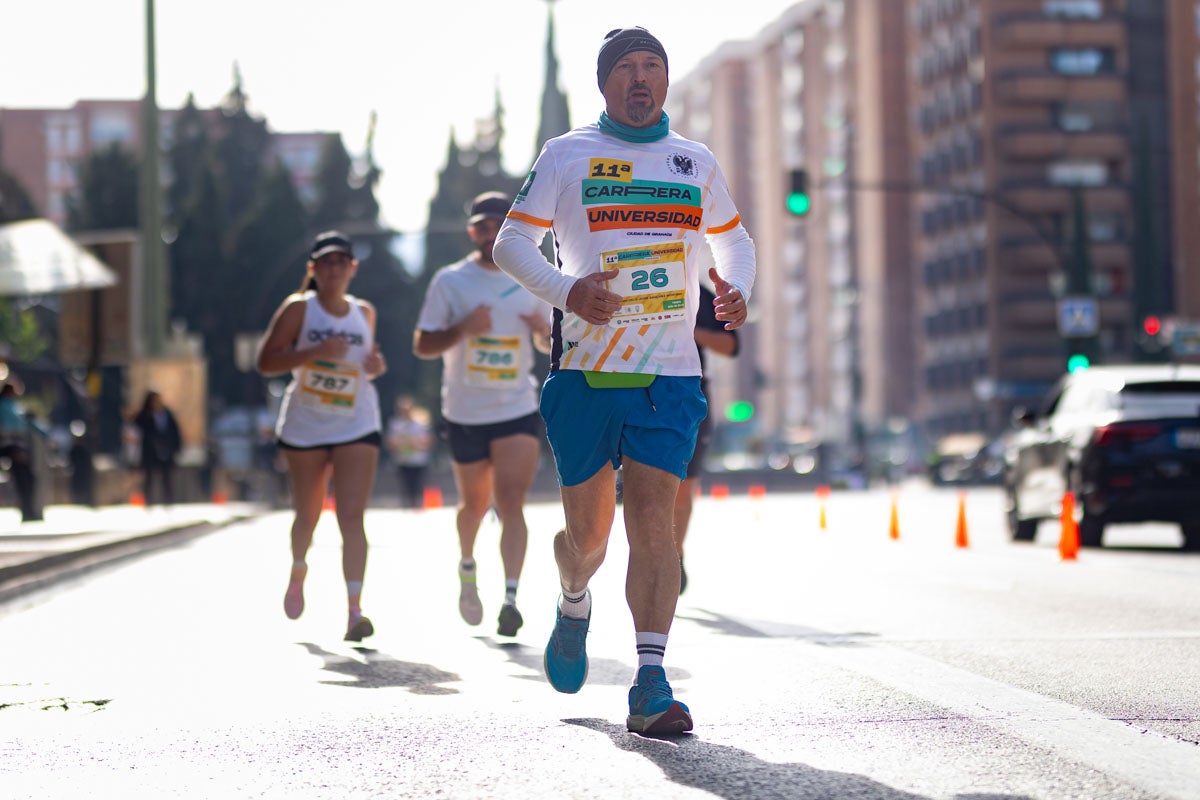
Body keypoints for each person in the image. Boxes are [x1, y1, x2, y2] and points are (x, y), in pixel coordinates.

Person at [493, 27, 756, 734]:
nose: (641, 78)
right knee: (589, 536)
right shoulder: (568, 154)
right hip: (587, 370)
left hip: (669, 373)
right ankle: (574, 598)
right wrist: (568, 291)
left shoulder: (693, 160)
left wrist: (737, 289)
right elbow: (510, 242)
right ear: (606, 82)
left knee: (654, 520)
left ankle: (649, 681)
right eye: (627, 68)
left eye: (653, 67)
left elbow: (734, 238)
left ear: (665, 81)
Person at [414, 191, 552, 638]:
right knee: (473, 504)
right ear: (471, 232)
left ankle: (511, 598)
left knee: (512, 501)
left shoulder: (532, 278)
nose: (490, 233)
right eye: (481, 227)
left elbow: (552, 345)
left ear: (511, 228)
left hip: (516, 407)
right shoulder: (450, 282)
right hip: (465, 410)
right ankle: (468, 568)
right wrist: (461, 329)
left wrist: (542, 333)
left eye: (497, 225)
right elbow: (423, 345)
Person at [256, 230, 387, 643]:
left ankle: (354, 611)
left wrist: (376, 365)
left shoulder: (364, 312)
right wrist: (312, 353)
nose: (333, 269)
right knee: (308, 515)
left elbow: (370, 364)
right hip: (306, 425)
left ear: (352, 268)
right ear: (313, 269)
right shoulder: (299, 309)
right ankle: (299, 569)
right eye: (325, 262)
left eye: (340, 262)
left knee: (352, 516)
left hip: (356, 422)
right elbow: (266, 362)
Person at [675, 283, 739, 594]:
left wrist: (690, 329)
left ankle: (674, 553)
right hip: (636, 388)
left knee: (685, 485)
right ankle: (654, 551)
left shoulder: (698, 292)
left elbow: (731, 344)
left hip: (692, 393)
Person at [0, 382, 44, 521]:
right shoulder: (5, 407)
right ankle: (28, 512)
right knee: (24, 480)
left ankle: (29, 511)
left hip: (17, 448)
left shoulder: (12, 406)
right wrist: (14, 450)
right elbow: (8, 430)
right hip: (13, 448)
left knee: (27, 479)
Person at [131, 389, 182, 506]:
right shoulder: (146, 414)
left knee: (167, 478)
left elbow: (175, 432)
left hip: (166, 450)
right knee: (149, 478)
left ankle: (169, 501)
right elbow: (137, 425)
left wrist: (176, 448)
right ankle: (148, 501)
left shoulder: (167, 414)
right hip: (150, 451)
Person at [384, 395, 434, 509]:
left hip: (418, 459)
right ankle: (406, 503)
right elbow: (389, 441)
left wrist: (416, 443)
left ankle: (417, 503)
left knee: (417, 482)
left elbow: (428, 441)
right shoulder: (395, 424)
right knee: (405, 482)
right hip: (402, 459)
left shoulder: (421, 423)